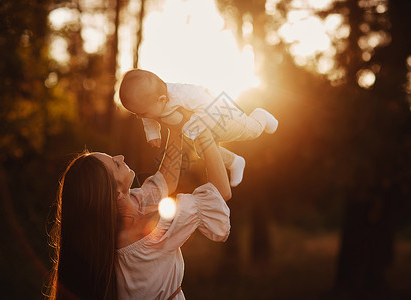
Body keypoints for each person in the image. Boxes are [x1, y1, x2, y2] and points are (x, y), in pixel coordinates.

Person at [46, 111, 232, 299]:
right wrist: (206, 135)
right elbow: (221, 192)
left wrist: (174, 127)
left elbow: (166, 180)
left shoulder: (109, 229)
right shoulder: (154, 227)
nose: (120, 156)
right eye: (115, 164)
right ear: (116, 193)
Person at [118, 69, 278, 187]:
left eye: (142, 113)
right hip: (204, 129)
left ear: (161, 100)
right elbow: (148, 118)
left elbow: (208, 105)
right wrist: (152, 133)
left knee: (252, 131)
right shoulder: (150, 105)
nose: (140, 116)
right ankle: (235, 162)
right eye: (136, 113)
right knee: (202, 150)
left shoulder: (185, 94)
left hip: (224, 117)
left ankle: (261, 116)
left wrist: (193, 126)